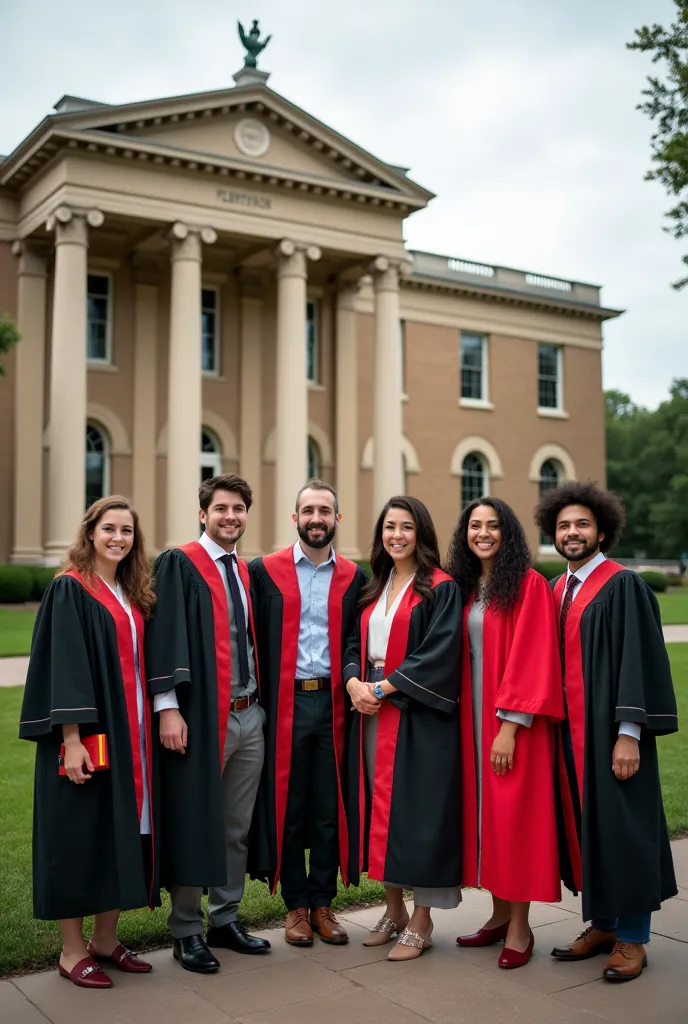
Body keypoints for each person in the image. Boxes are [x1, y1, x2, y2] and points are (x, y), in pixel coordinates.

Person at [534, 482, 678, 982]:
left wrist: (628, 733)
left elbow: (638, 663)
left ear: (602, 532)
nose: (572, 533)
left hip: (611, 735)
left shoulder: (623, 585)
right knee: (588, 828)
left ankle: (633, 939)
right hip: (569, 738)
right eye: (563, 526)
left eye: (581, 525)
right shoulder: (557, 590)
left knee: (624, 830)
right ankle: (602, 924)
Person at [19, 496, 158, 989]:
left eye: (127, 531)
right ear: (90, 533)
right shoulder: (70, 590)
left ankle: (105, 939)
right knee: (79, 836)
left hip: (129, 736)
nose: (118, 538)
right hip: (89, 738)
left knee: (119, 834)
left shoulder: (128, 591)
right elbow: (65, 668)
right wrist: (71, 740)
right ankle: (71, 950)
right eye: (109, 529)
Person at [145, 474, 269, 974]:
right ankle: (186, 930)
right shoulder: (181, 564)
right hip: (201, 718)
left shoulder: (242, 570)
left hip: (248, 715)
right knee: (196, 819)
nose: (230, 517)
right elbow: (164, 635)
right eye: (221, 509)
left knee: (235, 827)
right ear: (204, 514)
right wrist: (168, 708)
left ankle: (226, 918)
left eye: (238, 509)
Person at [445, 498, 563, 969]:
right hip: (470, 720)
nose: (484, 533)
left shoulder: (528, 585)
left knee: (514, 821)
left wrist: (510, 727)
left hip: (511, 726)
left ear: (507, 532)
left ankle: (520, 927)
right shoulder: (469, 587)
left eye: (493, 526)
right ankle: (497, 918)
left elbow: (533, 657)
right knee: (486, 820)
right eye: (475, 526)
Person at [343, 496, 462, 961]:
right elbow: (353, 641)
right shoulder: (375, 586)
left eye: (406, 527)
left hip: (417, 718)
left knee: (419, 815)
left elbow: (439, 651)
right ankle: (392, 908)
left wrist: (385, 687)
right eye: (389, 526)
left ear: (421, 533)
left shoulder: (439, 588)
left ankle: (422, 918)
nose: (396, 535)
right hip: (372, 711)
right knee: (380, 810)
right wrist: (355, 682)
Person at [248, 479, 367, 946]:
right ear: (294, 518)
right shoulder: (265, 571)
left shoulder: (354, 577)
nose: (316, 519)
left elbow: (358, 641)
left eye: (325, 511)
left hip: (336, 702)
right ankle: (295, 905)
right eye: (308, 510)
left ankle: (323, 903)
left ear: (337, 519)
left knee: (327, 805)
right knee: (290, 805)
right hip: (285, 703)